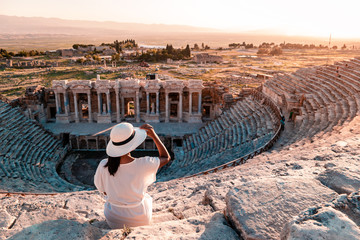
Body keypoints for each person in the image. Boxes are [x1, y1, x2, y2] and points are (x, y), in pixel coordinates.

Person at [94, 122, 170, 229]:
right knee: (146, 197)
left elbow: (103, 190)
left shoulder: (103, 165)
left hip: (113, 219)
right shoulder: (144, 164)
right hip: (139, 218)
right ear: (133, 146)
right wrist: (154, 136)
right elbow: (166, 157)